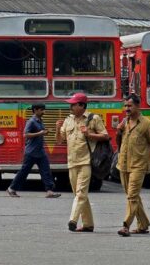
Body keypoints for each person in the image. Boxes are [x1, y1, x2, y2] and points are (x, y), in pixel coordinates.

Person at [55, 92, 109, 232]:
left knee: (81, 193)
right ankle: (88, 224)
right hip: (71, 162)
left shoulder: (93, 118)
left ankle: (72, 220)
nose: (71, 107)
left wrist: (89, 134)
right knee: (79, 195)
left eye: (73, 104)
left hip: (86, 161)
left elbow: (105, 136)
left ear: (82, 105)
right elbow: (60, 140)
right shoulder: (68, 120)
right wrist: (57, 128)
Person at [116, 94, 150, 237]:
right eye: (125, 106)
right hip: (123, 165)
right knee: (133, 196)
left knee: (132, 196)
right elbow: (119, 144)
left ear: (138, 106)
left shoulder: (147, 124)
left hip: (139, 165)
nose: (127, 109)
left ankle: (125, 225)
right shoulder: (124, 122)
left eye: (130, 106)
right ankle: (143, 225)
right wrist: (118, 132)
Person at [6, 104, 61, 199]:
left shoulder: (40, 121)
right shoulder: (31, 121)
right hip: (31, 152)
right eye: (42, 110)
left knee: (46, 171)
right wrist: (40, 133)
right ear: (35, 110)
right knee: (24, 172)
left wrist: (45, 132)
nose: (44, 112)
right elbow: (25, 134)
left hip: (40, 151)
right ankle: (11, 188)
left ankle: (49, 191)